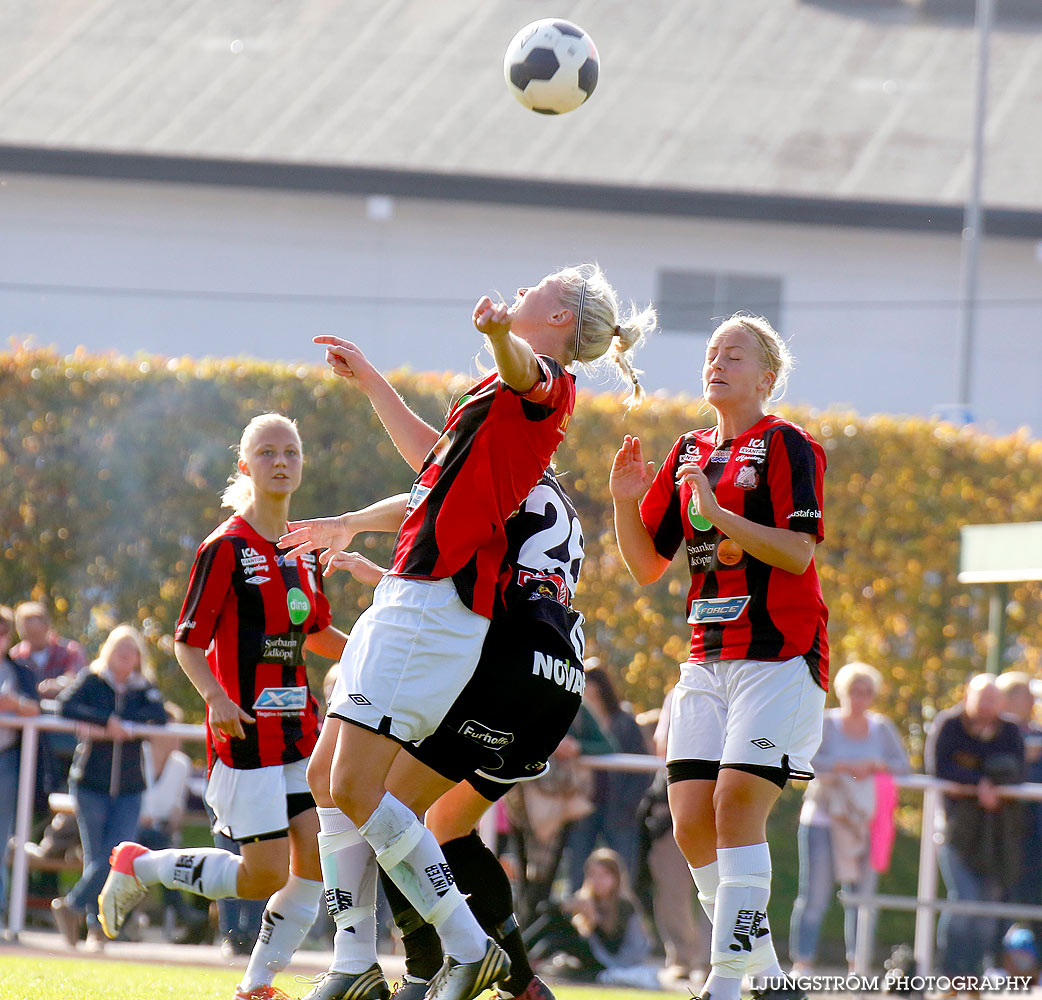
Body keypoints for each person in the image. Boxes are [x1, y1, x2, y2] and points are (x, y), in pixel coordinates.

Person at [279, 263, 652, 1000]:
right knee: (330, 780)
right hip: (420, 597)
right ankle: (356, 964)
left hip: (440, 607)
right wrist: (372, 385)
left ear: (559, 318)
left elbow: (531, 375)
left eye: (539, 287)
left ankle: (464, 948)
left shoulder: (542, 378)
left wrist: (494, 335)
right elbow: (431, 466)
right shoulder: (494, 397)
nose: (522, 289)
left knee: (367, 791)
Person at [610, 313, 829, 1000]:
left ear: (766, 377)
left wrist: (721, 513)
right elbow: (647, 564)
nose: (717, 362)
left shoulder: (789, 444)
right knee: (690, 820)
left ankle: (727, 984)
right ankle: (766, 974)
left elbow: (797, 552)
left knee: (737, 803)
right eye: (711, 352)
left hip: (779, 655)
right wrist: (622, 503)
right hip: (707, 658)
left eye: (734, 354)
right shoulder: (686, 451)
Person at [97, 413, 349, 1000]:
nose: (281, 461)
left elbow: (315, 632)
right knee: (262, 874)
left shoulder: (304, 550)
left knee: (313, 856)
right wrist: (215, 697)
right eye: (267, 452)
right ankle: (141, 865)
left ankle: (256, 985)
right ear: (245, 465)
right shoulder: (226, 548)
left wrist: (380, 646)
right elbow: (186, 640)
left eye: (291, 450)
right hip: (245, 733)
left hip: (299, 730)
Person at [50, 623, 168, 950]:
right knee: (97, 857)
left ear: (138, 658)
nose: (124, 656)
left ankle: (73, 908)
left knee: (115, 857)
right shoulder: (92, 679)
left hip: (130, 787)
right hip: (91, 783)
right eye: (119, 649)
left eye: (131, 651)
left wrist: (129, 727)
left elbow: (159, 718)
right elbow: (65, 705)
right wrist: (106, 722)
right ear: (109, 651)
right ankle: (94, 930)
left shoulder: (144, 688)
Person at [788, 661, 910, 975]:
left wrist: (875, 763)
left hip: (864, 822)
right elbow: (804, 760)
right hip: (824, 819)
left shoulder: (882, 728)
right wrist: (841, 765)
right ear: (843, 692)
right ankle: (803, 962)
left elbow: (902, 766)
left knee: (863, 897)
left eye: (866, 692)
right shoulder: (826, 723)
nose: (860, 698)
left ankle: (859, 964)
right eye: (854, 691)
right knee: (814, 895)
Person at [926, 673, 1026, 981]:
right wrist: (978, 783)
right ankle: (948, 970)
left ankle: (975, 975)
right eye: (981, 697)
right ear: (967, 695)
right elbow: (938, 766)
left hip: (996, 834)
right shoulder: (950, 725)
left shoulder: (1009, 731)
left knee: (987, 907)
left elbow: (1017, 770)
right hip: (956, 831)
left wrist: (990, 784)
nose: (987, 705)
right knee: (964, 899)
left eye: (993, 699)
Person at [565, 665, 652, 892]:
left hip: (620, 812)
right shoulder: (577, 722)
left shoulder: (624, 722)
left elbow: (644, 768)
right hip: (584, 807)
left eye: (593, 695)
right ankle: (579, 921)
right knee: (578, 871)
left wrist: (629, 803)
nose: (589, 701)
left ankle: (619, 922)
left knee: (622, 874)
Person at [525, 848, 658, 990]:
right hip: (591, 954)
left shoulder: (625, 905)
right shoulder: (587, 899)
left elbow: (614, 950)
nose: (597, 880)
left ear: (616, 877)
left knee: (558, 938)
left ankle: (528, 962)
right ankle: (519, 952)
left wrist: (594, 919)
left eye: (603, 875)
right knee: (555, 923)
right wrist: (565, 906)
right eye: (592, 875)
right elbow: (545, 910)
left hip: (612, 961)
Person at [0, 604, 41, 935]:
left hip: (7, 762)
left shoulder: (20, 672)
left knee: (1, 839)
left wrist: (14, 705)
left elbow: (35, 708)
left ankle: (2, 912)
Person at [996, 671, 1042, 943]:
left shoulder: (1038, 734)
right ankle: (993, 963)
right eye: (1028, 695)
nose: (1033, 701)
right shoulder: (996, 735)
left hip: (1035, 833)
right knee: (1001, 898)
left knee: (1036, 898)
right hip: (1002, 832)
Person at [11, 600, 86, 698]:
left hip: (63, 711)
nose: (32, 639)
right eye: (28, 634)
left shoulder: (70, 651)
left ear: (47, 628)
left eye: (36, 633)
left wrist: (60, 684)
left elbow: (80, 680)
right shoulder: (15, 656)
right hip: (27, 711)